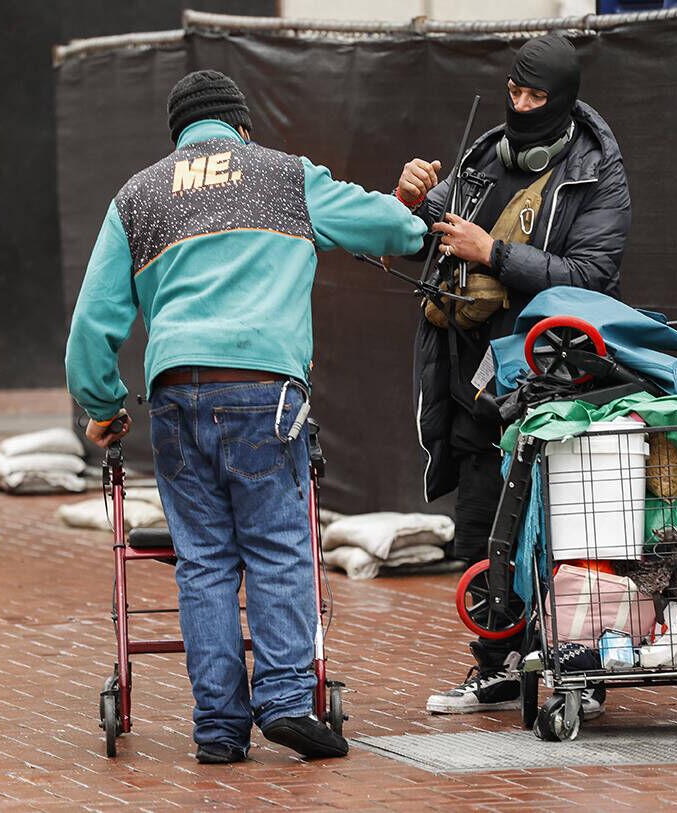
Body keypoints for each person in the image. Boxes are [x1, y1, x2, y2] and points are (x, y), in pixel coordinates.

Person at [66, 70, 426, 764]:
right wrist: (415, 218)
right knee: (277, 547)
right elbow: (386, 225)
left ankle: (219, 729)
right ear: (241, 125)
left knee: (203, 562)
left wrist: (103, 407)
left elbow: (91, 323)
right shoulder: (284, 176)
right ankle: (288, 700)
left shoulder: (138, 194)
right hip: (267, 392)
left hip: (174, 392)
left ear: (178, 136)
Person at [397, 35, 632, 716]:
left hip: (552, 379)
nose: (522, 106)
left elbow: (593, 275)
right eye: (515, 93)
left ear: (562, 100)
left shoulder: (597, 171)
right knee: (478, 527)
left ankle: (574, 669)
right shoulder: (481, 157)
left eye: (536, 97)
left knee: (565, 528)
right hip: (473, 381)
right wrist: (409, 197)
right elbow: (422, 231)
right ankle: (495, 662)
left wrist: (495, 252)